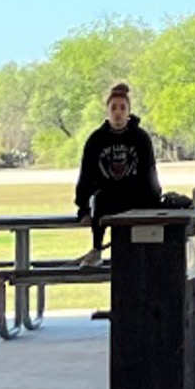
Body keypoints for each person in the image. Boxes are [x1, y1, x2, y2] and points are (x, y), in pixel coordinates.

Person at [72, 82, 160, 267]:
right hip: (109, 197)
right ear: (107, 111)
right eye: (113, 108)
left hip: (136, 196)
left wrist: (155, 199)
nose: (118, 113)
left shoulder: (140, 138)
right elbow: (86, 175)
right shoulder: (96, 140)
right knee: (100, 200)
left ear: (129, 111)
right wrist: (83, 207)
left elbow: (150, 172)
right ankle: (97, 249)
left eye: (122, 108)